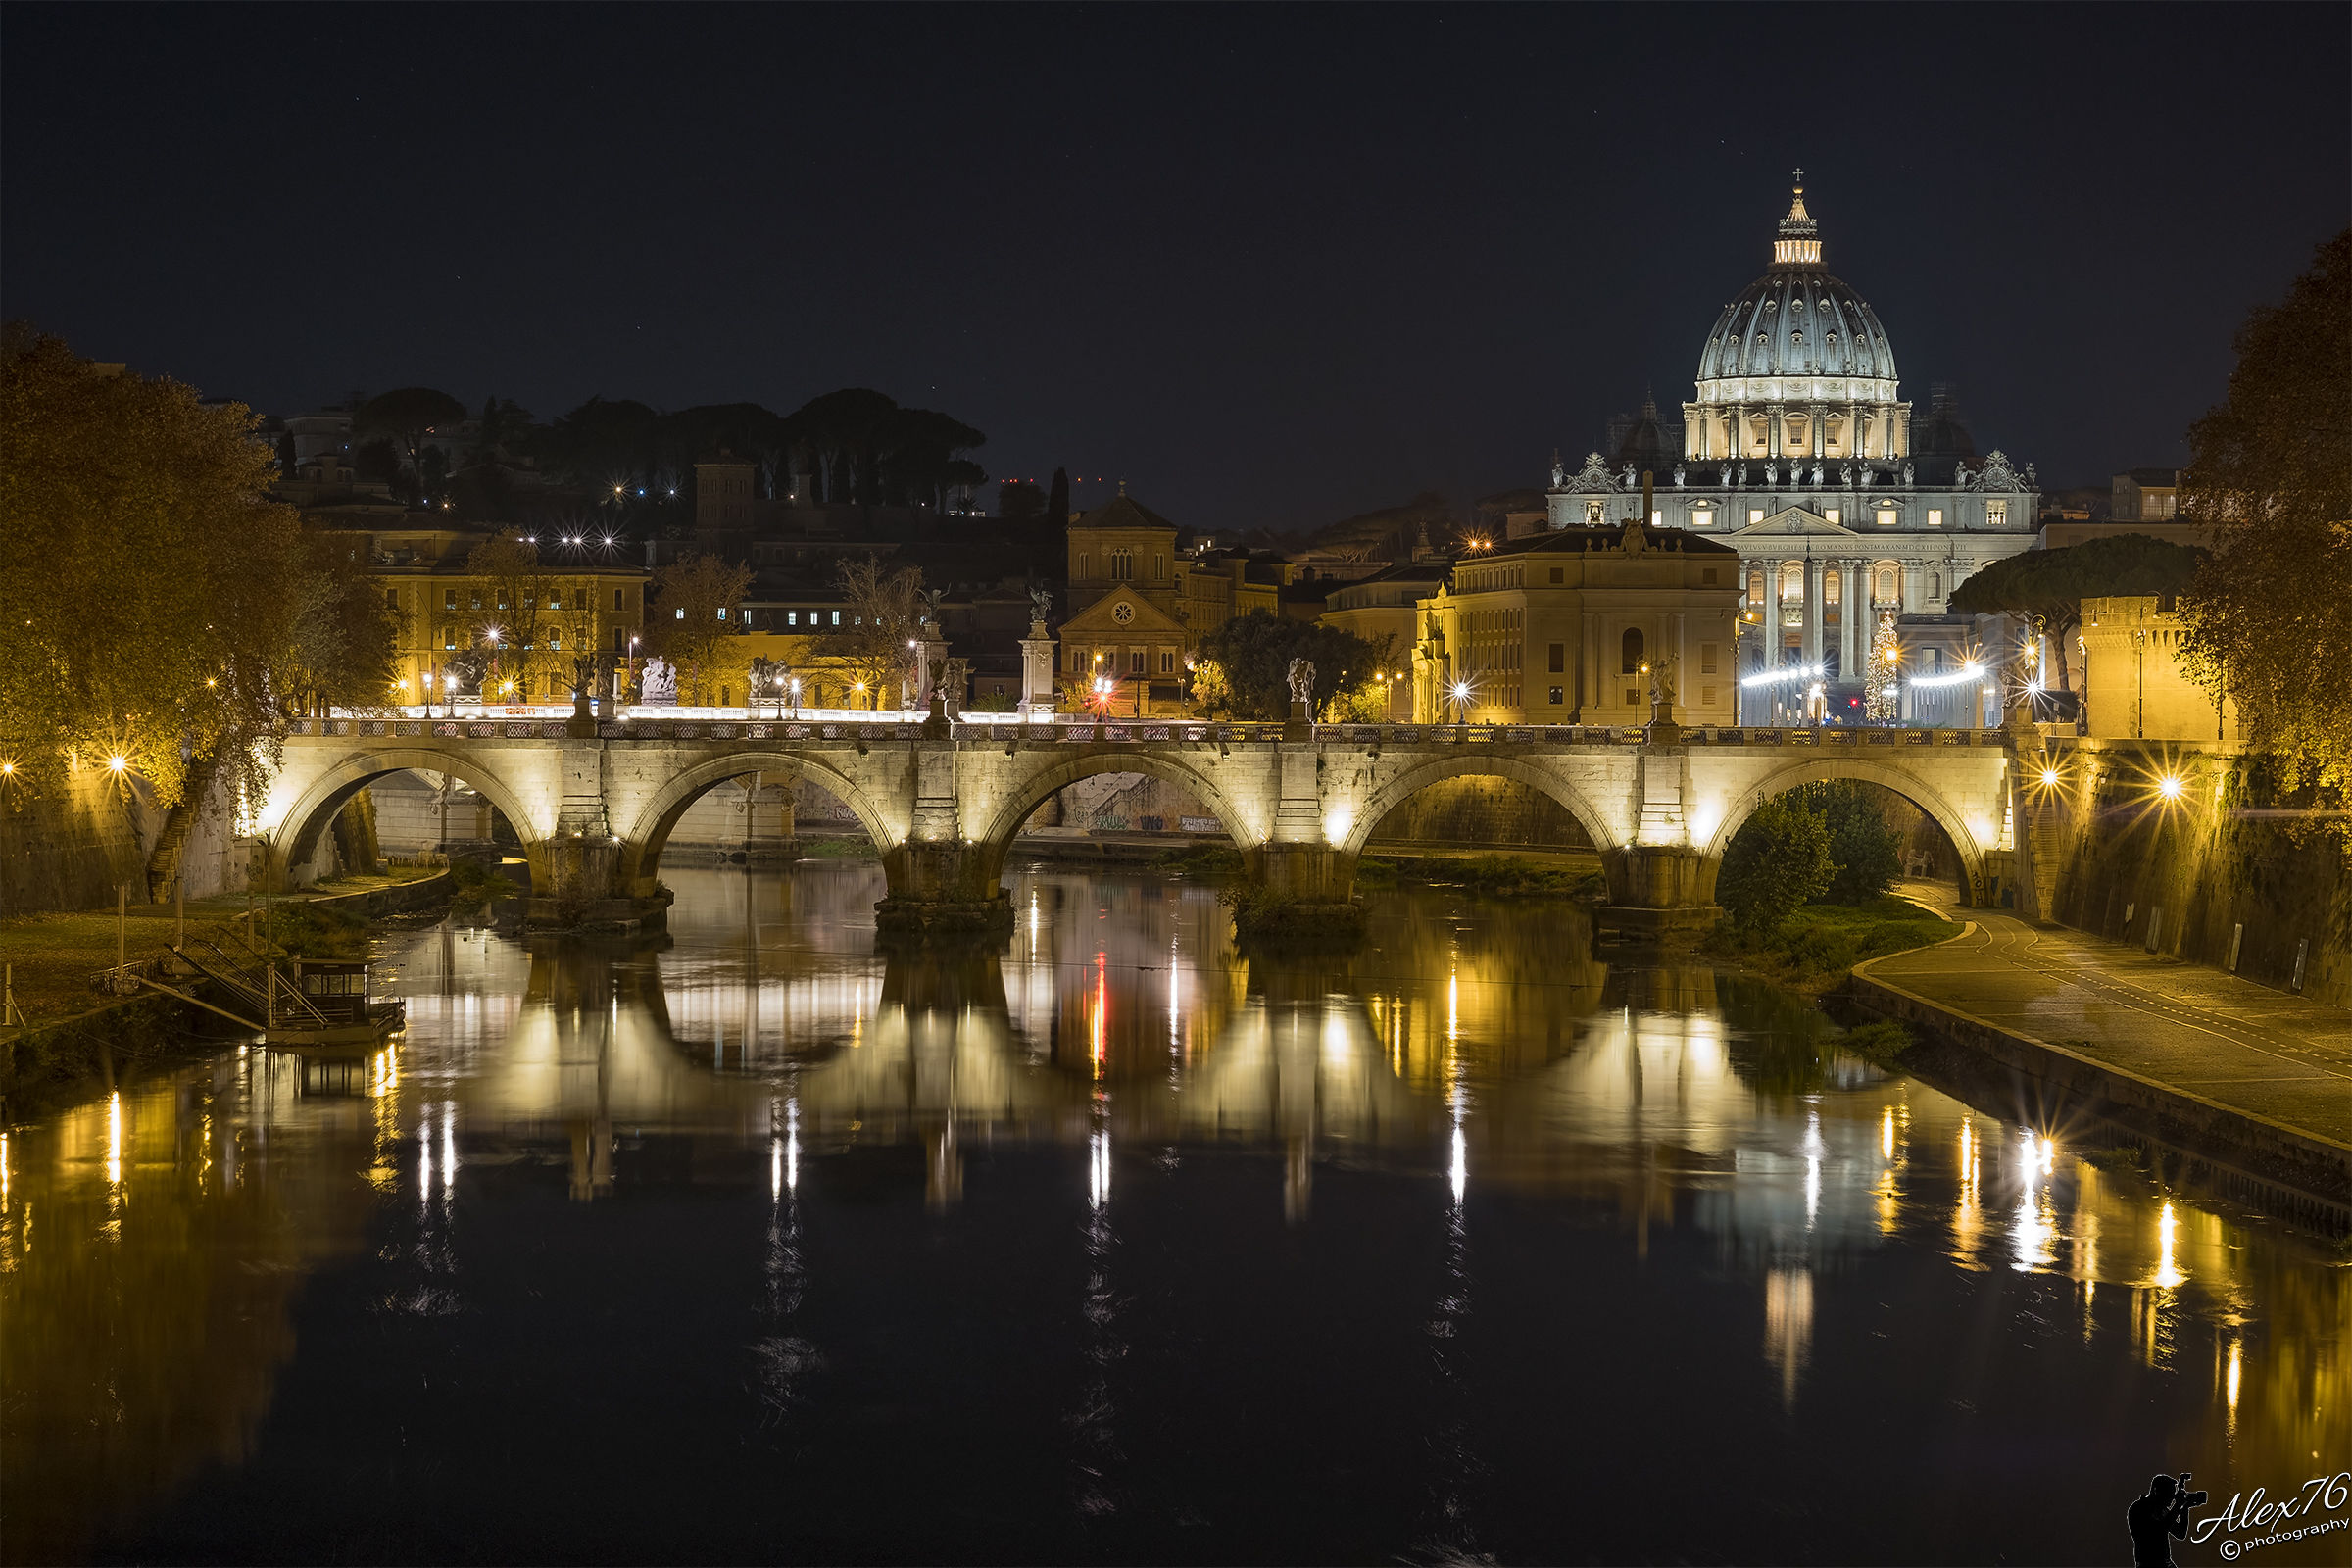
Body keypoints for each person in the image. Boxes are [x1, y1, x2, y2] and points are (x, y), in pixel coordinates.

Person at [2126, 1474, 2190, 1567]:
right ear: (2156, 1491)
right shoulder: (2138, 1508)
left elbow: (2180, 1533)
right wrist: (2177, 1506)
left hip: (2164, 1563)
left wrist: (2185, 1508)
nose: (2173, 1498)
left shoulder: (2162, 1510)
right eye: (2169, 1493)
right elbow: (2158, 1531)